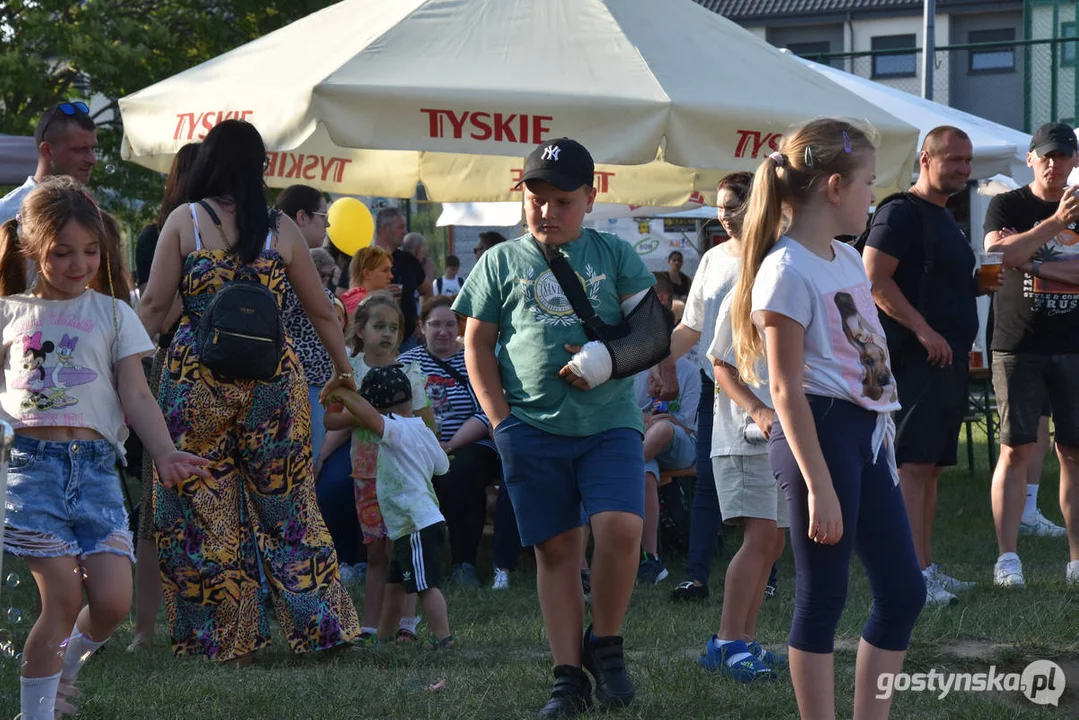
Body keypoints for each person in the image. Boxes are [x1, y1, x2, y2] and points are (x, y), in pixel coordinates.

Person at [138, 119, 360, 662]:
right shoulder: (281, 228)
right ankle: (323, 630)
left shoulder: (184, 221)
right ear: (259, 167)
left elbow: (152, 308)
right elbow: (320, 311)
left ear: (210, 161)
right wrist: (343, 371)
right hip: (274, 384)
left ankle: (223, 639)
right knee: (289, 507)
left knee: (201, 509)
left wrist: (126, 371)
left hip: (197, 384)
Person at [455, 137, 656, 718]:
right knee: (558, 551)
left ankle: (607, 642)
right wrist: (499, 423)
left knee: (620, 528)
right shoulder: (498, 261)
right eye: (536, 198)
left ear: (591, 199)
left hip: (610, 423)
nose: (547, 211)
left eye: (562, 200)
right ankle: (568, 678)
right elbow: (478, 345)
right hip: (530, 429)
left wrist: (607, 361)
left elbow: (652, 334)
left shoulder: (616, 255)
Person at [731, 118, 926, 718]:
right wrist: (819, 485)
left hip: (864, 435)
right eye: (869, 182)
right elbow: (786, 390)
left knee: (903, 591)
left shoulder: (844, 257)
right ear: (836, 187)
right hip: (819, 435)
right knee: (824, 598)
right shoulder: (785, 270)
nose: (875, 195)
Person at [0, 179, 210, 720]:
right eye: (62, 253)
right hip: (31, 472)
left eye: (90, 252)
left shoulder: (116, 315)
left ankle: (63, 668)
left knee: (114, 602)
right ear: (33, 250)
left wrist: (163, 452)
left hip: (96, 473)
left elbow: (136, 394)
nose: (78, 264)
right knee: (64, 601)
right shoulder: (9, 313)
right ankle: (37, 713)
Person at [863, 126, 1001, 605]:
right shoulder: (901, 212)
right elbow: (873, 277)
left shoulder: (947, 218)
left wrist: (977, 287)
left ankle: (924, 567)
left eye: (967, 160)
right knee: (913, 467)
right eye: (953, 159)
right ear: (926, 158)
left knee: (932, 467)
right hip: (916, 359)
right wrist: (923, 330)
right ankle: (909, 575)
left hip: (950, 358)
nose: (963, 168)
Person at [983, 121, 1079, 588]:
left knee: (1073, 453)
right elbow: (997, 256)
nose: (1054, 163)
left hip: (1073, 344)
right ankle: (1007, 559)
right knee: (1015, 449)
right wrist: (1056, 225)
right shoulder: (1007, 203)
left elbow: (1018, 255)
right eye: (1046, 154)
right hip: (1017, 343)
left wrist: (1034, 258)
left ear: (1074, 161)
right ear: (1030, 157)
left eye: (1063, 155)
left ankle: (1076, 561)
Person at [658, 172, 752, 603]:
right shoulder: (713, 259)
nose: (724, 216)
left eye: (733, 206)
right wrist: (662, 359)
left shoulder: (775, 255)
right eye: (720, 206)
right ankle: (696, 577)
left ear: (757, 204)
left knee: (765, 480)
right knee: (708, 484)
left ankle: (764, 571)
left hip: (762, 390)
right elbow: (691, 326)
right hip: (715, 386)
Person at [322, 292, 432, 641]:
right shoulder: (350, 372)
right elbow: (331, 421)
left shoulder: (410, 371)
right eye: (378, 326)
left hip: (405, 475)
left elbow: (427, 424)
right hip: (367, 475)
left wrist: (398, 422)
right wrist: (366, 417)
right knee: (376, 552)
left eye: (393, 328)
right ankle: (369, 626)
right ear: (361, 329)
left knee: (404, 549)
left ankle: (406, 624)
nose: (386, 334)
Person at [128, 141, 201, 653]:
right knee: (160, 504)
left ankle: (198, 615)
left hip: (228, 379)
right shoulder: (161, 233)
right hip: (171, 372)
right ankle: (145, 626)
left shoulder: (246, 232)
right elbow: (155, 313)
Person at [325, 366, 454, 647]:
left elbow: (369, 416)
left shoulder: (393, 430)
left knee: (425, 585)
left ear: (379, 411)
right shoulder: (423, 431)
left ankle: (444, 638)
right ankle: (383, 637)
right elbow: (442, 467)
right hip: (415, 525)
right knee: (396, 584)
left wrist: (340, 392)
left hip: (416, 525)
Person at [697, 290, 788, 683]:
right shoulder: (746, 292)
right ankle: (726, 642)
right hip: (745, 437)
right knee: (760, 538)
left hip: (781, 437)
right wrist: (757, 408)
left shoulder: (795, 280)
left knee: (774, 541)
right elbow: (720, 364)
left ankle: (746, 642)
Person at [400, 296, 520, 588]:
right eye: (435, 324)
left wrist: (449, 446)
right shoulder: (407, 363)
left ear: (460, 327)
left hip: (469, 443)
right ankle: (406, 564)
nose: (442, 331)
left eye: (449, 324)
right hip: (419, 445)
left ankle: (463, 563)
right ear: (421, 327)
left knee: (462, 471)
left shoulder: (473, 360)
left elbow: (485, 412)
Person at [275, 184, 337, 461]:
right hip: (300, 383)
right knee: (303, 469)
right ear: (302, 217)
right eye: (324, 218)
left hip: (309, 383)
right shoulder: (286, 262)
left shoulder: (284, 257)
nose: (327, 226)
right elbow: (280, 324)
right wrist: (344, 371)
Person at [633, 356, 699, 585]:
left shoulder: (689, 371)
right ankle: (651, 559)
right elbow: (622, 413)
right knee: (644, 472)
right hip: (642, 442)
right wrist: (645, 420)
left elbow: (689, 429)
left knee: (662, 429)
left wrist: (665, 420)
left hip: (680, 446)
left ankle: (623, 471)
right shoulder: (632, 365)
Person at [0, 102, 97, 225]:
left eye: (93, 149)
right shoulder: (7, 215)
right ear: (47, 150)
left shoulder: (91, 212)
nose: (92, 160)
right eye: (79, 150)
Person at [362, 207, 431, 350]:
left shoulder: (408, 260)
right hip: (370, 341)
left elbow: (427, 291)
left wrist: (422, 321)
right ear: (384, 229)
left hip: (407, 341)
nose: (405, 232)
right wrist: (377, 293)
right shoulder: (363, 259)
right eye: (401, 227)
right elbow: (343, 296)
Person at [340, 245, 393, 319]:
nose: (391, 276)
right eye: (385, 270)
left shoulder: (353, 299)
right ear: (367, 274)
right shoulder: (363, 303)